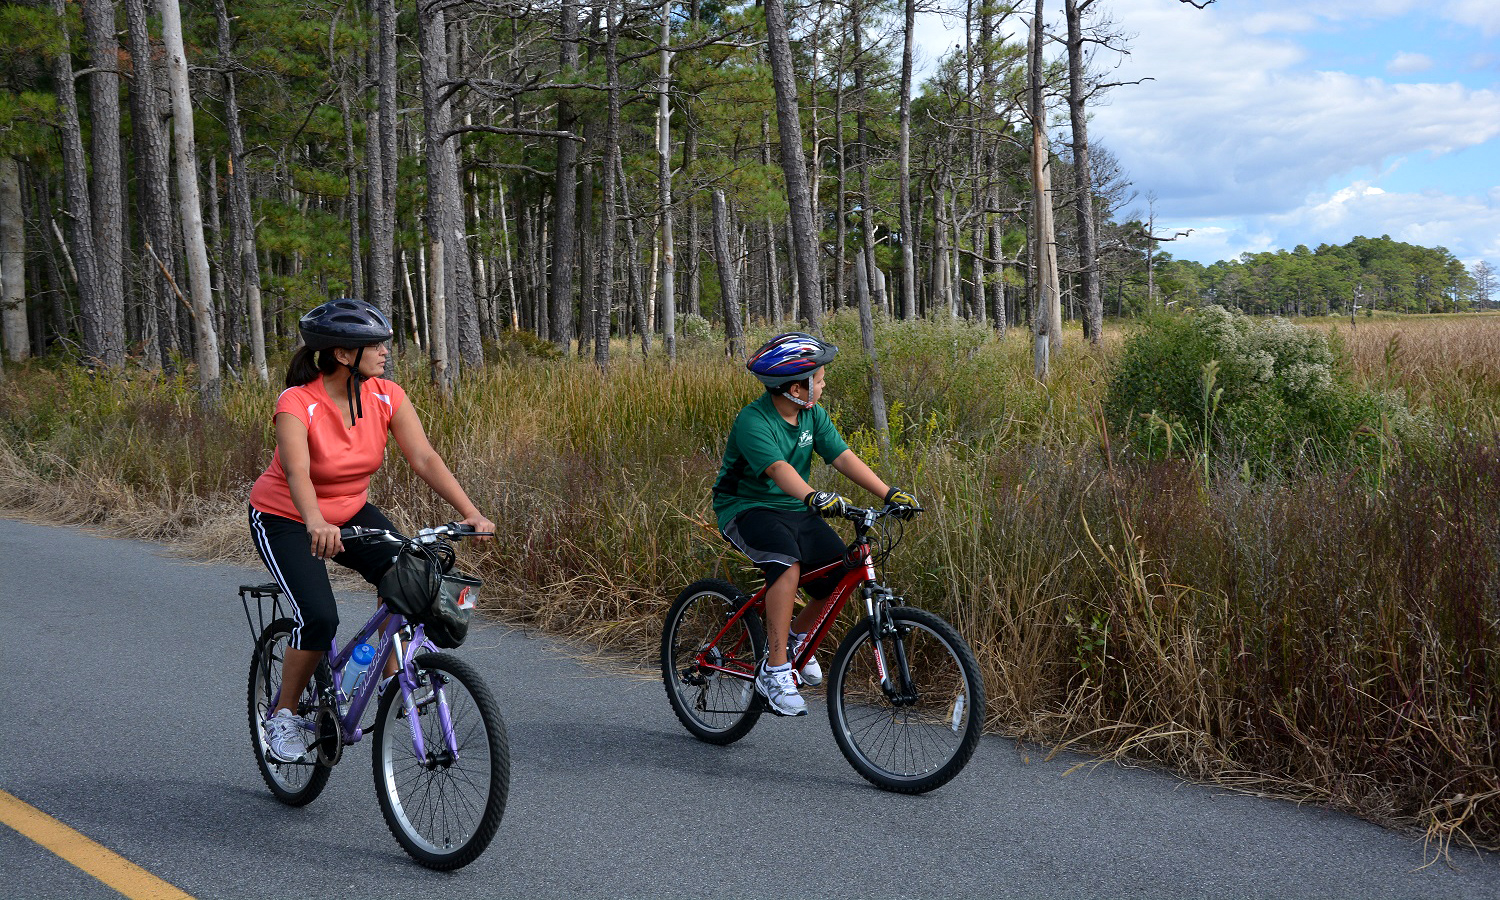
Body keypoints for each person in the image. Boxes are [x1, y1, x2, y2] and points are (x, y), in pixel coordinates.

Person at [247, 298, 494, 762]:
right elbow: (298, 472)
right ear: (343, 354)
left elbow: (424, 458)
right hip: (285, 517)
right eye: (374, 345)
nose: (384, 352)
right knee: (319, 618)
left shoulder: (386, 395)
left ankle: (389, 671)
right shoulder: (297, 402)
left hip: (351, 510)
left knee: (410, 577)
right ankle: (282, 716)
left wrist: (470, 512)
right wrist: (316, 521)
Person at [712, 332, 918, 717]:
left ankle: (793, 639)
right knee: (786, 563)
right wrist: (812, 496)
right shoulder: (753, 421)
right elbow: (778, 468)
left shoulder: (812, 414)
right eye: (819, 380)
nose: (823, 385)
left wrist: (889, 492)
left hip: (793, 507)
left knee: (841, 568)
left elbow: (841, 456)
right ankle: (774, 671)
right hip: (745, 508)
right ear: (795, 388)